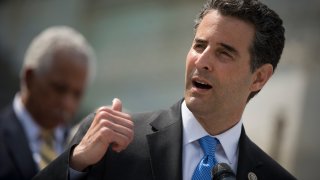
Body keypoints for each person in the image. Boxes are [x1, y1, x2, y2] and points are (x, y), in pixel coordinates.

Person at [33, 0, 296, 179]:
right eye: (199, 45)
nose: (202, 61)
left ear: (259, 77)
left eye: (224, 53)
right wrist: (76, 165)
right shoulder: (110, 142)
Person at [0, 26, 95, 180]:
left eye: (77, 94)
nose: (68, 104)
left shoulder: (81, 144)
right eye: (59, 89)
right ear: (29, 78)